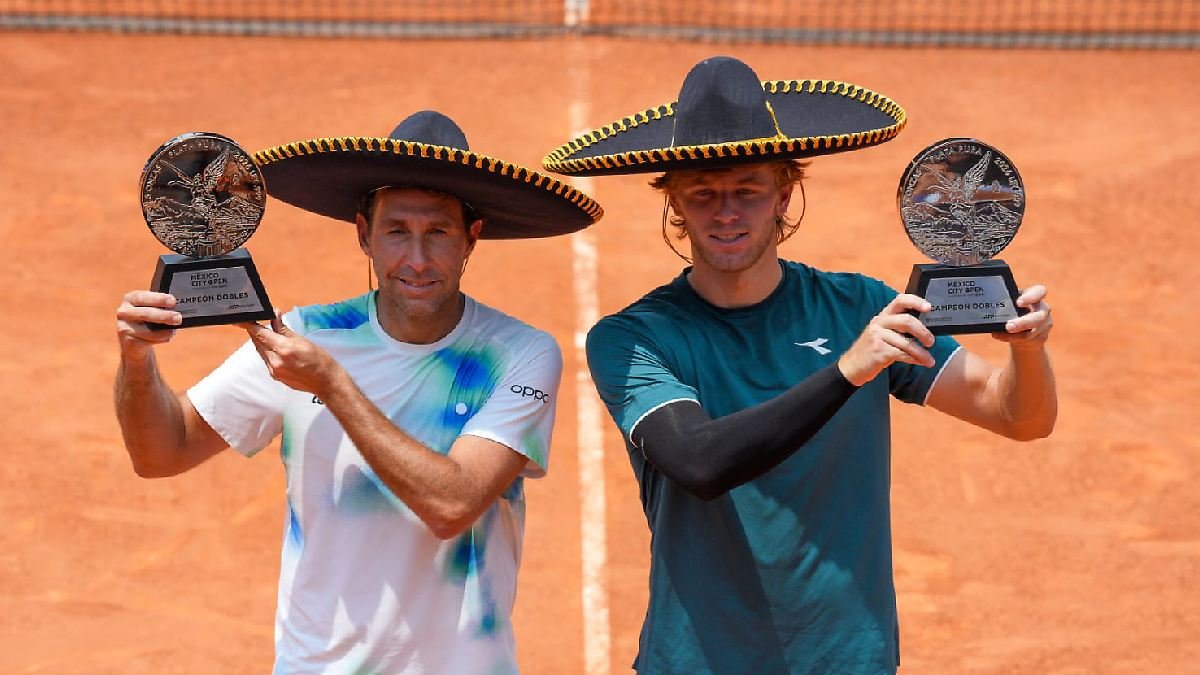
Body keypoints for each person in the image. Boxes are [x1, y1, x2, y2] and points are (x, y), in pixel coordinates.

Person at [543, 56, 1056, 674]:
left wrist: (1028, 350)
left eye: (748, 191)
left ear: (783, 195)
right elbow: (698, 462)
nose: (726, 212)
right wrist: (848, 371)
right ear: (674, 201)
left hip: (847, 660)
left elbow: (1018, 417)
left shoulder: (859, 307)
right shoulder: (632, 338)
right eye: (702, 193)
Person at [115, 110, 602, 673]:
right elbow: (162, 452)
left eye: (438, 232)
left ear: (471, 239)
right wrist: (136, 360)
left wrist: (331, 384)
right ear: (364, 235)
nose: (416, 260)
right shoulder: (306, 335)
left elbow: (453, 504)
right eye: (396, 232)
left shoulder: (519, 353)